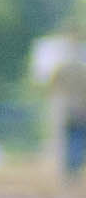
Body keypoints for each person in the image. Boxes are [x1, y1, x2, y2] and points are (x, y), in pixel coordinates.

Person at [39, 31, 86, 179]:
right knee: (78, 137)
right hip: (79, 106)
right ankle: (74, 167)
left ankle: (68, 168)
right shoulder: (81, 69)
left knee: (66, 139)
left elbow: (52, 86)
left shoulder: (61, 67)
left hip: (64, 107)